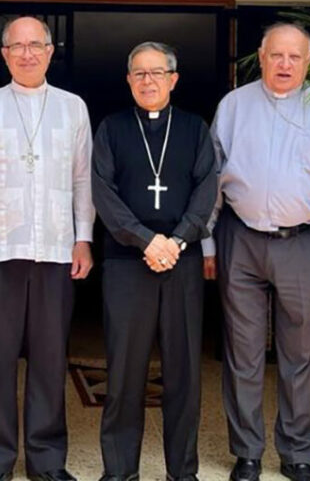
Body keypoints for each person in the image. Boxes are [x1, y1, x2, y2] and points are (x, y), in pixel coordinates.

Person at [204, 23, 310, 481]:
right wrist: (206, 240)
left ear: (309, 61)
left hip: (304, 244)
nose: (284, 64)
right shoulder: (233, 106)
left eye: (294, 56)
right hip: (241, 240)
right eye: (276, 55)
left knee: (302, 354)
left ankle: (298, 454)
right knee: (242, 352)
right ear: (262, 57)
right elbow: (211, 179)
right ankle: (247, 453)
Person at [0, 16, 94, 481]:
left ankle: (47, 461)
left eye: (37, 45)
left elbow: (83, 179)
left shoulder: (72, 107)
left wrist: (83, 237)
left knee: (50, 358)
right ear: (5, 54)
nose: (28, 53)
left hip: (56, 249)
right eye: (18, 46)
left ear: (51, 51)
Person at [91, 41, 216, 481]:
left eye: (157, 73)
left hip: (181, 262)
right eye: (139, 74)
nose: (148, 81)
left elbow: (206, 189)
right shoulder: (111, 128)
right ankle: (119, 470)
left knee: (184, 371)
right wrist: (145, 241)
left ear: (173, 79)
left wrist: (177, 240)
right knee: (125, 370)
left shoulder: (195, 129)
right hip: (127, 262)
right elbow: (103, 193)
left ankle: (183, 471)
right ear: (129, 80)